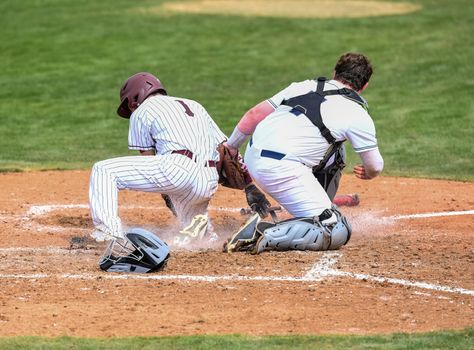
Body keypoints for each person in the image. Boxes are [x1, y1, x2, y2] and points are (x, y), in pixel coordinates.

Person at [224, 53, 384, 253]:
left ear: (334, 73)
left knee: (337, 150)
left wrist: (230, 147)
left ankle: (313, 205)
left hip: (253, 155)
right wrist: (369, 173)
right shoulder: (357, 113)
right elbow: (375, 166)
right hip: (282, 170)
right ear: (364, 86)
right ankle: (261, 232)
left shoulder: (302, 86)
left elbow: (254, 115)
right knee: (335, 227)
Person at [89, 72, 227, 247]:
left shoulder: (141, 111)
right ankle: (211, 239)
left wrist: (165, 191)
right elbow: (224, 147)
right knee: (197, 232)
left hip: (177, 171)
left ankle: (107, 233)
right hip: (208, 180)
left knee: (104, 170)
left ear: (135, 97)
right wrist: (250, 186)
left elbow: (148, 157)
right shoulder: (195, 105)